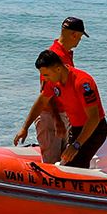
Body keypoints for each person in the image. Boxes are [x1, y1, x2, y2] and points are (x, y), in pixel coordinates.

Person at [18, 49, 107, 169]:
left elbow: (94, 118)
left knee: (76, 165)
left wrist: (76, 145)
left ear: (58, 69)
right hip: (75, 128)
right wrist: (25, 127)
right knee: (67, 164)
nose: (45, 78)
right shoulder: (53, 81)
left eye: (46, 74)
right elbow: (41, 102)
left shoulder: (83, 83)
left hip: (94, 129)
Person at [16, 16, 87, 162]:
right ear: (74, 34)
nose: (79, 40)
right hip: (51, 116)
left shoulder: (65, 54)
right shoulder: (54, 56)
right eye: (79, 37)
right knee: (52, 162)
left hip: (63, 116)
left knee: (65, 160)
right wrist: (57, 120)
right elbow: (46, 93)